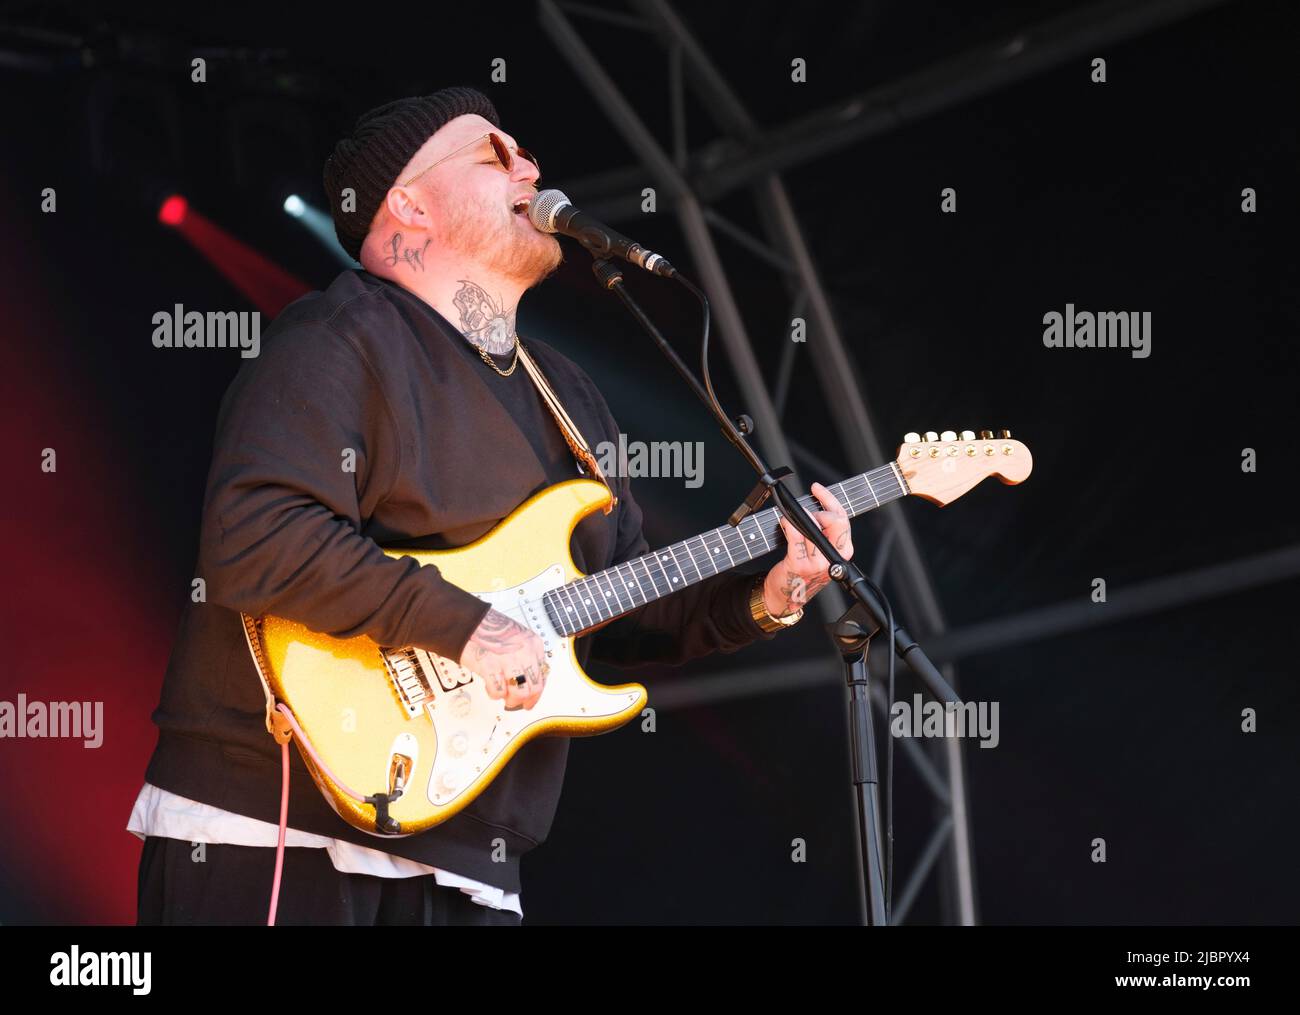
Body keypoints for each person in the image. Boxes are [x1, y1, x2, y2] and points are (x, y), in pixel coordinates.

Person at [129, 86, 853, 926]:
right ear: (408, 201)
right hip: (278, 821)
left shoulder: (570, 397)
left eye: (524, 150)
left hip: (472, 853)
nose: (529, 164)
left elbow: (615, 608)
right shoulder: (338, 339)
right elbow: (257, 534)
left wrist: (767, 592)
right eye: (493, 153)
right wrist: (466, 626)